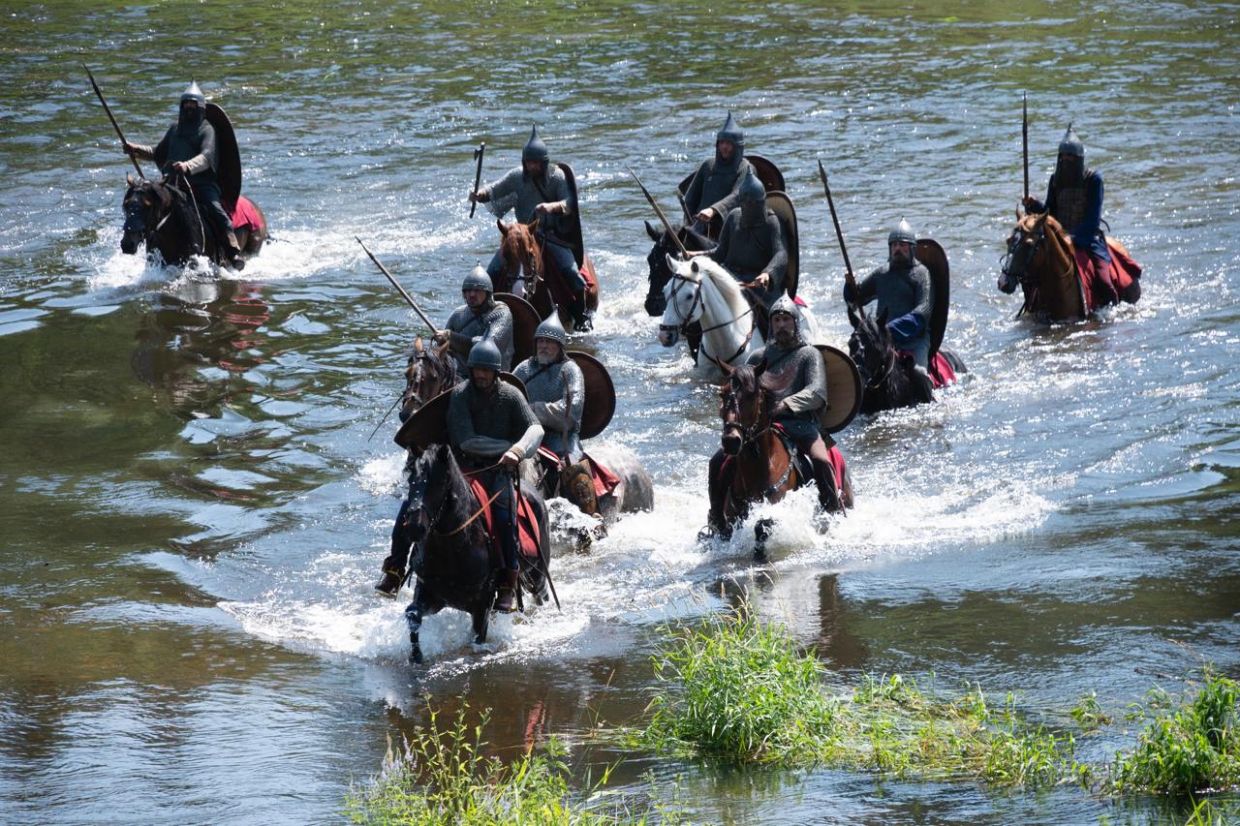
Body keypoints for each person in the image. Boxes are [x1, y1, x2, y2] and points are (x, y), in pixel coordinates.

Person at [703, 296, 841, 535]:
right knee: (717, 461)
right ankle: (716, 521)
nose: (781, 325)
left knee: (820, 459)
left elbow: (816, 392)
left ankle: (832, 514)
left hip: (800, 424)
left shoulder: (809, 355)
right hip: (760, 425)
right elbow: (739, 389)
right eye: (776, 320)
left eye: (786, 319)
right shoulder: (758, 357)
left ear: (795, 323)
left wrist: (786, 404)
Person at [446, 337, 545, 612]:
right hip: (467, 470)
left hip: (500, 471)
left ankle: (507, 581)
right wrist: (507, 446)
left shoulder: (511, 395)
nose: (480, 375)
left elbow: (535, 430)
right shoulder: (461, 395)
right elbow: (467, 441)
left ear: (496, 372)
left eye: (485, 371)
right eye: (477, 369)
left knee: (504, 515)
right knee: (428, 508)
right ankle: (402, 567)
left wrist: (518, 450)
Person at [470, 125, 592, 330]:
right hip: (520, 237)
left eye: (536, 162)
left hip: (550, 236)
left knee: (573, 275)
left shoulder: (557, 177)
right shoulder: (517, 176)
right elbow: (495, 189)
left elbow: (569, 203)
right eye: (529, 162)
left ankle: (581, 318)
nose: (532, 166)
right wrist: (479, 194)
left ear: (544, 163)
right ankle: (483, 317)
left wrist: (551, 207)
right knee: (491, 272)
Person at [123, 82, 245, 269]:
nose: (189, 109)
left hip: (201, 185)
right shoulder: (174, 129)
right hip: (173, 185)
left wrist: (187, 166)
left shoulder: (206, 130)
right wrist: (136, 149)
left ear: (201, 107)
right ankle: (144, 245)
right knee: (150, 210)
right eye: (186, 105)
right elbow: (157, 152)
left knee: (217, 212)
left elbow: (206, 158)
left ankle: (232, 250)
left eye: (193, 105)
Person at [1021, 125, 1122, 304]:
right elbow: (1050, 212)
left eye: (1071, 157)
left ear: (1079, 158)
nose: (1067, 160)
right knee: (1030, 270)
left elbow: (1092, 221)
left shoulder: (1093, 180)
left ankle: (1111, 314)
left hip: (1087, 239)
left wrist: (1071, 238)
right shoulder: (1055, 180)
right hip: (1059, 240)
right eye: (1064, 156)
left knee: (1104, 281)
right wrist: (1034, 205)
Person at [512, 310, 595, 509]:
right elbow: (508, 395)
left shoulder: (570, 370)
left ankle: (591, 519)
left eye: (549, 342)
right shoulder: (523, 369)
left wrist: (532, 410)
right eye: (540, 341)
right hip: (528, 436)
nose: (544, 346)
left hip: (561, 438)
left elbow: (571, 411)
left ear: (560, 346)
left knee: (574, 473)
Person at [844, 219, 933, 370]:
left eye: (902, 245)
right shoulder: (881, 274)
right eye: (894, 245)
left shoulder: (921, 274)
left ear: (911, 248)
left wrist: (887, 329)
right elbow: (856, 300)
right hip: (883, 341)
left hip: (914, 341)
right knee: (862, 370)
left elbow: (921, 315)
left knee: (919, 373)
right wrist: (850, 287)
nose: (897, 248)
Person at [683, 111, 753, 237]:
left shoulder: (745, 168)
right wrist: (688, 226)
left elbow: (737, 196)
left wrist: (713, 210)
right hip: (700, 228)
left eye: (728, 143)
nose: (724, 147)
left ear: (737, 146)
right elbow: (690, 199)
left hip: (729, 231)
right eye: (722, 143)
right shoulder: (708, 166)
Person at [435, 266, 514, 374]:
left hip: (492, 377)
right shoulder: (457, 315)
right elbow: (444, 351)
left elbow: (487, 348)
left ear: (487, 293)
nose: (472, 294)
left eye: (477, 290)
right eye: (468, 290)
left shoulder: (501, 313)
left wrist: (451, 337)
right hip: (459, 376)